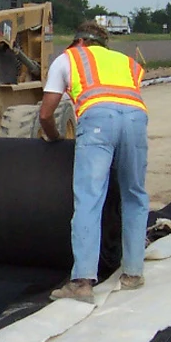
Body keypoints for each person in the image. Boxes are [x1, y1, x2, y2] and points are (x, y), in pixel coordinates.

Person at [39, 20, 149, 303]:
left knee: (89, 197)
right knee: (134, 194)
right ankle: (133, 273)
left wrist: (53, 139)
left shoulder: (68, 59)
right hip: (136, 119)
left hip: (98, 120)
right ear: (103, 44)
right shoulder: (126, 62)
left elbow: (45, 114)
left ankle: (82, 282)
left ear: (78, 41)